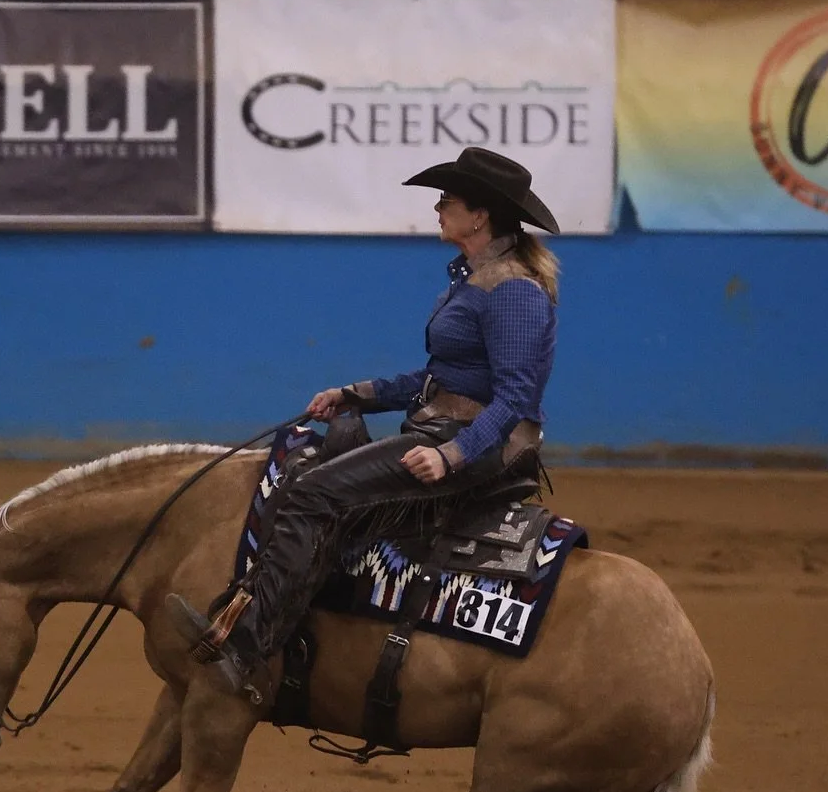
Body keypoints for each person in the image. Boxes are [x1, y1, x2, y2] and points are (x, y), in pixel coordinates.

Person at [170, 146, 561, 702]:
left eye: (447, 199)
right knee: (308, 474)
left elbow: (516, 397)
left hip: (480, 449)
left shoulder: (514, 289)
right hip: (443, 432)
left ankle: (248, 647)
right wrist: (355, 395)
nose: (437, 208)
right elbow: (436, 379)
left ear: (480, 216)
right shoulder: (476, 279)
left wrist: (452, 455)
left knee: (311, 495)